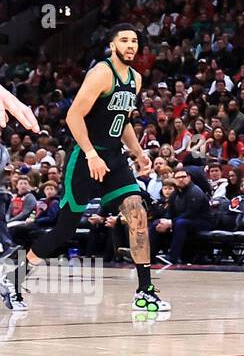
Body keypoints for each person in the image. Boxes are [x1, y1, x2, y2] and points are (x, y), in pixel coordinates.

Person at [1, 25, 164, 313]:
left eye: (134, 41)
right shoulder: (102, 73)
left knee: (137, 212)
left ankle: (145, 290)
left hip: (114, 158)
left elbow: (123, 121)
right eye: (124, 40)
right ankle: (13, 280)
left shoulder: (136, 79)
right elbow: (74, 114)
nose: (130, 45)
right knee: (64, 230)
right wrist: (90, 154)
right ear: (113, 46)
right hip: (86, 157)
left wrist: (138, 153)